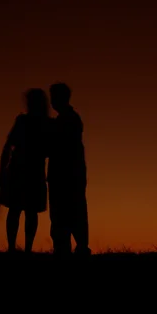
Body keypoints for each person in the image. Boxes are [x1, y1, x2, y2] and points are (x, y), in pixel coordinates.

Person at [0, 88, 53, 253]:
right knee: (23, 211)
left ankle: (18, 248)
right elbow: (9, 146)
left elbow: (9, 145)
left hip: (25, 170)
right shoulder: (40, 122)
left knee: (22, 210)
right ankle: (20, 248)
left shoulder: (27, 121)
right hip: (27, 171)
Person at [47, 82, 91, 256]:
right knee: (74, 211)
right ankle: (73, 247)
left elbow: (58, 147)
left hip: (65, 174)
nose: (52, 102)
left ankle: (67, 249)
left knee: (66, 212)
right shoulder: (69, 118)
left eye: (54, 97)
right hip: (71, 174)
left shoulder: (68, 120)